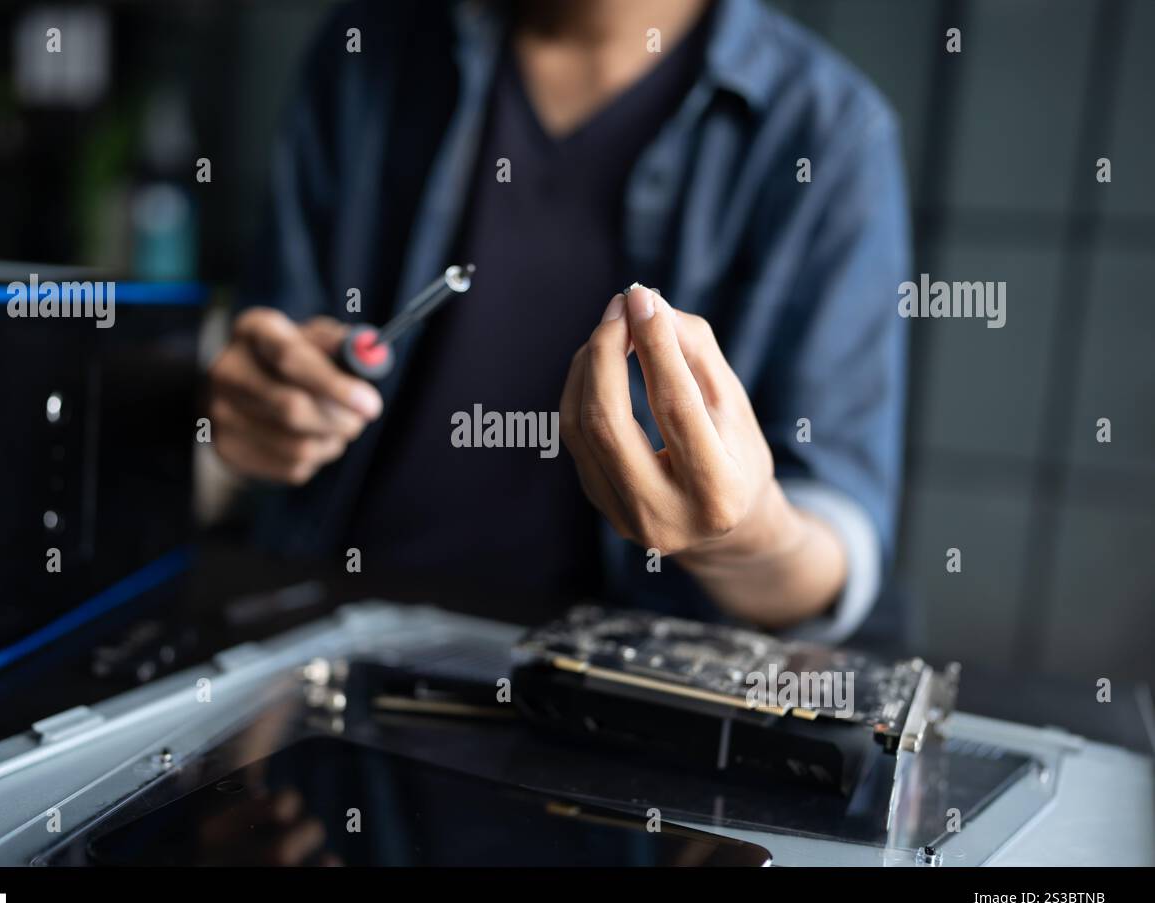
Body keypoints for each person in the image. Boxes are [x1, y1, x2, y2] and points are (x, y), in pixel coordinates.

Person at [209, 0, 910, 642]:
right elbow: (271, 348)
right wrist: (268, 407)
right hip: (328, 640)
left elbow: (833, 543)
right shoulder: (369, 48)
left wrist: (743, 532)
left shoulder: (831, 135)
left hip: (616, 707)